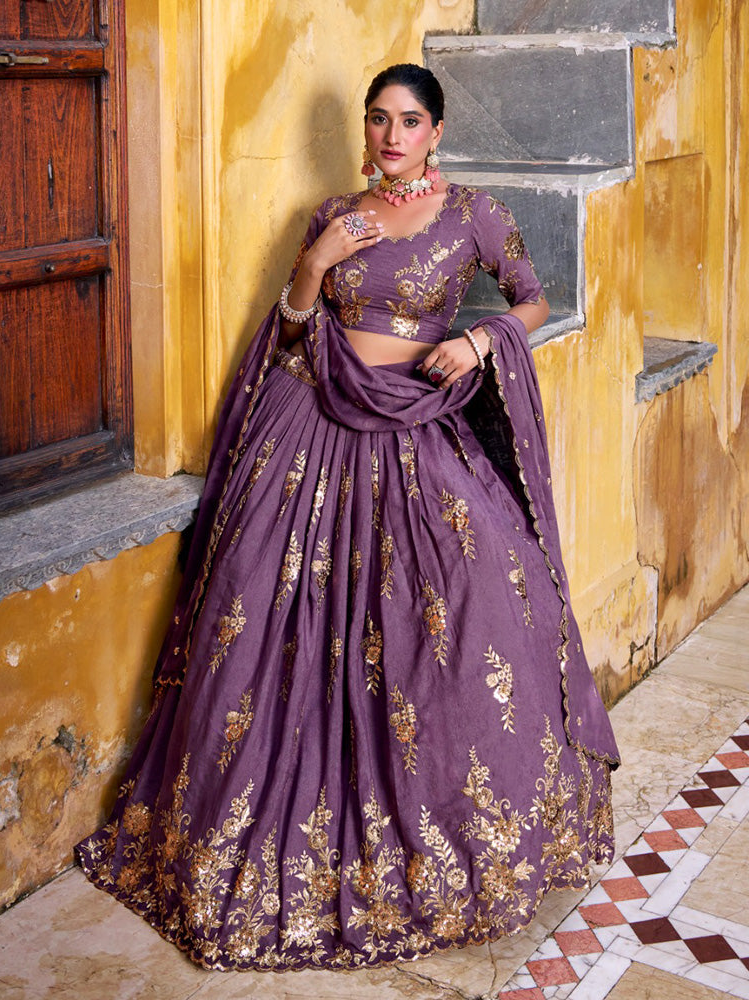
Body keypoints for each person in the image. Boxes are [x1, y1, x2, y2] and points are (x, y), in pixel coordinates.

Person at [77, 63, 619, 972]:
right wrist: (314, 265)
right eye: (378, 119)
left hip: (415, 429)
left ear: (437, 131)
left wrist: (479, 338)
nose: (391, 136)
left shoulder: (473, 214)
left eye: (409, 121)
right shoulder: (332, 215)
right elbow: (292, 328)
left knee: (467, 603)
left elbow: (533, 298)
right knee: (259, 608)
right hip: (313, 425)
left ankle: (441, 830)